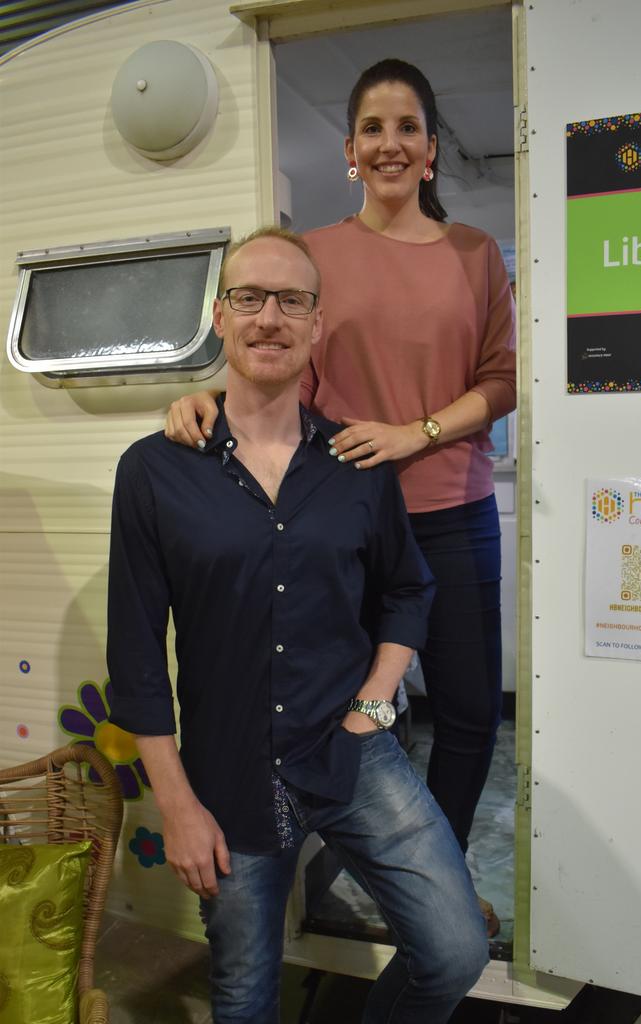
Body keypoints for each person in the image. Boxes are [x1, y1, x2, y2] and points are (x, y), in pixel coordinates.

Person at [165, 58, 517, 936]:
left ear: (433, 150)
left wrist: (416, 433)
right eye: (372, 128)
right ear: (351, 150)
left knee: (470, 713)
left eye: (408, 128)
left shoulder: (477, 255)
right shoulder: (316, 254)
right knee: (361, 706)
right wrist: (204, 397)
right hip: (343, 520)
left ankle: (442, 872)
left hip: (453, 508)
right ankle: (378, 871)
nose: (390, 143)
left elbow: (503, 381)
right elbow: (274, 361)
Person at [107, 228, 488, 1024]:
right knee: (245, 997)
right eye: (249, 297)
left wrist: (374, 704)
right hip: (225, 769)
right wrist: (175, 804)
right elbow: (136, 654)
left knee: (456, 952)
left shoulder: (355, 463)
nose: (269, 317)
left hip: (351, 750)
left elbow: (407, 593)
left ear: (317, 324)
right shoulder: (155, 469)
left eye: (291, 300)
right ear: (221, 316)